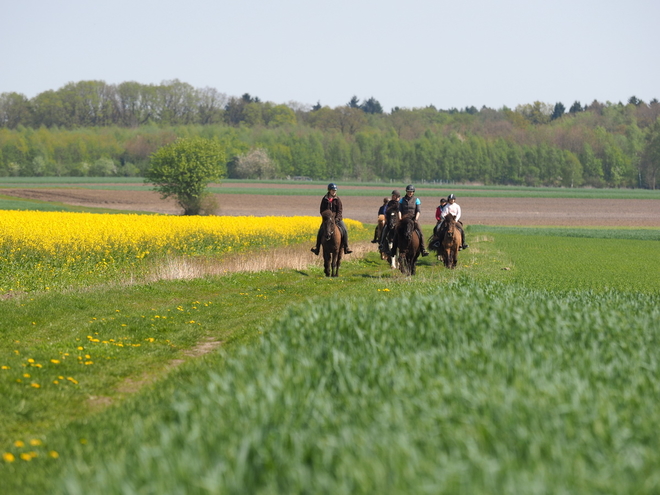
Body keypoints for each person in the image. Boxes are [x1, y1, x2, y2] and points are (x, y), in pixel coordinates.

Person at [311, 183, 352, 255]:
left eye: (335, 190)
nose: (334, 192)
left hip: (337, 219)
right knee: (320, 231)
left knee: (344, 230)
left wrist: (337, 218)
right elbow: (322, 210)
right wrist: (326, 217)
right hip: (327, 220)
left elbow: (340, 210)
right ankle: (317, 248)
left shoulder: (338, 200)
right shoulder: (324, 199)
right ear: (329, 190)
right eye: (332, 190)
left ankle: (346, 247)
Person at [390, 184, 429, 257]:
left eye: (411, 191)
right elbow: (399, 210)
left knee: (420, 233)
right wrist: (400, 218)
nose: (410, 193)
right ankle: (393, 250)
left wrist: (416, 219)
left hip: (413, 219)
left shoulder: (416, 200)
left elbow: (418, 211)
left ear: (413, 192)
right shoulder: (402, 200)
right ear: (406, 192)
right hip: (404, 220)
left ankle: (423, 249)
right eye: (408, 191)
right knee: (396, 232)